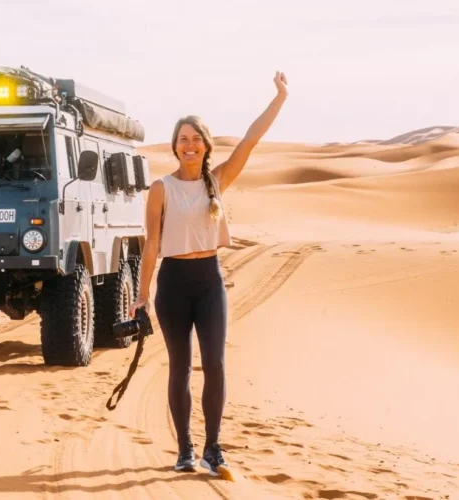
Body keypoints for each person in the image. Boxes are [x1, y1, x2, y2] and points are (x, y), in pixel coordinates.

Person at [129, 71, 288, 478]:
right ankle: (185, 449)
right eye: (182, 139)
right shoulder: (161, 189)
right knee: (179, 367)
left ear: (206, 145)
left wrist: (279, 98)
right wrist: (142, 294)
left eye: (195, 138)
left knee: (215, 364)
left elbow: (251, 139)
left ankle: (213, 449)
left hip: (209, 281)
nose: (189, 145)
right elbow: (151, 244)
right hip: (173, 285)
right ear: (175, 147)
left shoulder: (217, 181)